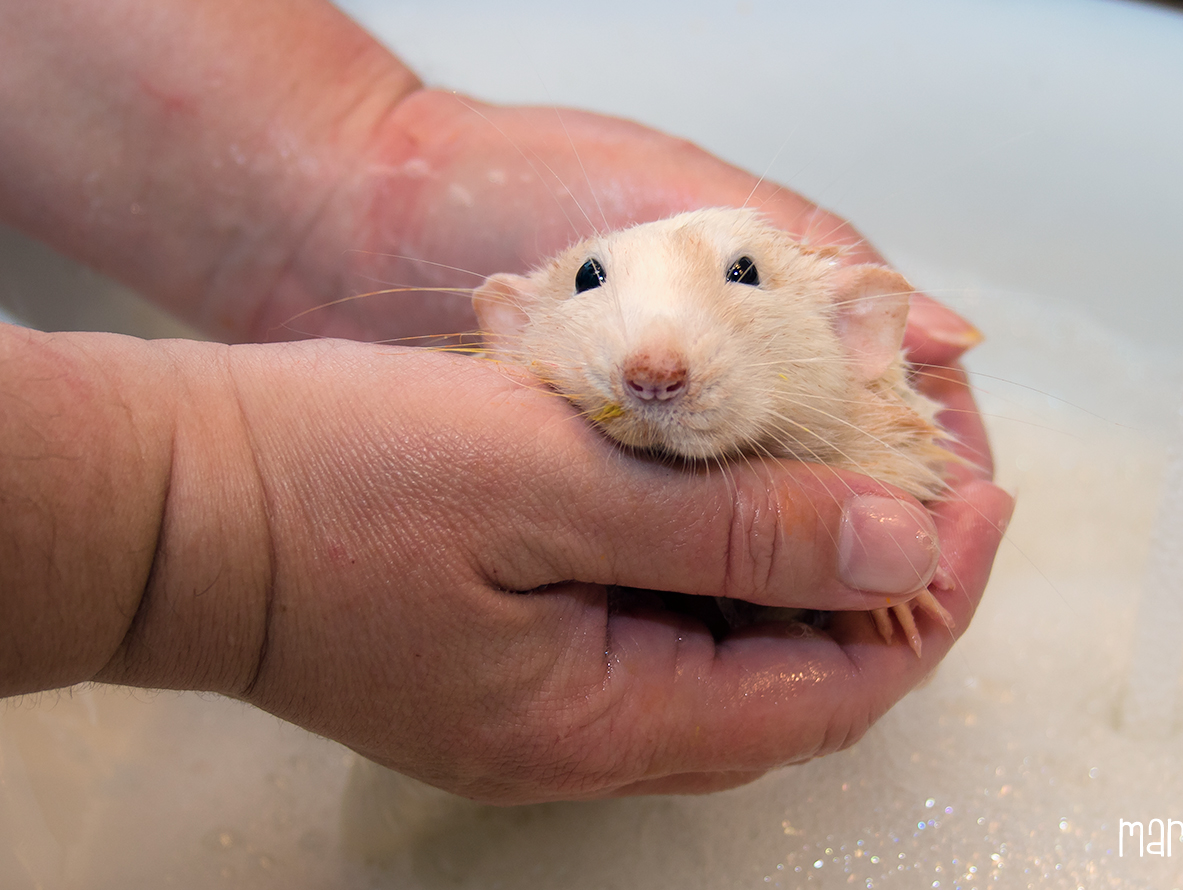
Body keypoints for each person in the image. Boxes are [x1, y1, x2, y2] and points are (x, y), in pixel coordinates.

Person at [0, 0, 1012, 804]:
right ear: (509, 328)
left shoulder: (859, 401)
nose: (653, 365)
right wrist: (214, 540)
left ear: (859, 329)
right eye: (589, 284)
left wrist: (370, 174)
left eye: (742, 275)